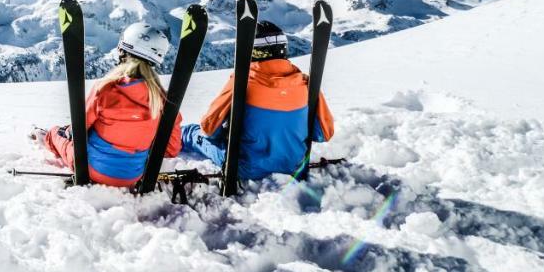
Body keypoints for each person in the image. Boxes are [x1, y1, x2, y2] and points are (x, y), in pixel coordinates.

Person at [181, 20, 335, 179]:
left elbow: (209, 129)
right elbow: (323, 134)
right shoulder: (306, 84)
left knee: (192, 132)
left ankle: (170, 140)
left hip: (246, 168)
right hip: (294, 166)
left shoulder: (242, 81)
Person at [36, 22, 182, 187]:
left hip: (91, 170)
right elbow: (171, 149)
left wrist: (66, 132)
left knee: (57, 133)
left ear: (123, 50)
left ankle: (45, 139)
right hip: (133, 175)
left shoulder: (105, 89)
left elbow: (78, 131)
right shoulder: (162, 100)